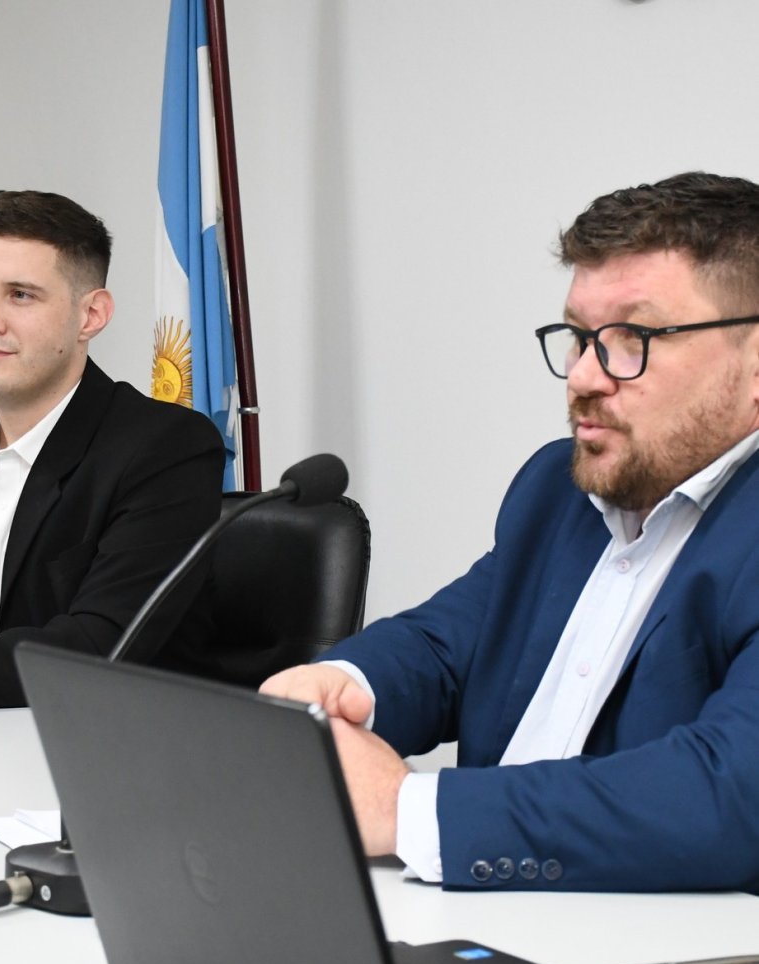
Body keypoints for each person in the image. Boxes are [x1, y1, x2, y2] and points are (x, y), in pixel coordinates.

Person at [262, 170, 759, 894]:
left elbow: (727, 795)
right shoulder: (556, 488)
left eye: (633, 338)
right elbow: (449, 642)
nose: (585, 376)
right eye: (581, 337)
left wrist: (405, 810)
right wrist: (341, 685)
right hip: (482, 921)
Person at [0, 190, 224, 715]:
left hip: (88, 763)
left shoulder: (166, 449)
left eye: (20, 296)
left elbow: (97, 646)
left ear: (91, 315)